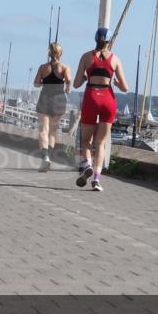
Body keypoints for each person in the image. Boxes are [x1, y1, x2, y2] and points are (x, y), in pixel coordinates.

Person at [72, 27, 128, 192]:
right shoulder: (115, 59)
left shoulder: (86, 57)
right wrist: (116, 83)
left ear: (95, 39)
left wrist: (83, 78)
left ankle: (87, 164)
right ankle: (96, 180)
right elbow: (125, 87)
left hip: (91, 97)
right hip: (108, 100)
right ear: (109, 41)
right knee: (101, 143)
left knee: (86, 141)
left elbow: (75, 84)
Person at [33, 42, 71, 172]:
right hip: (59, 101)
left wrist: (44, 81)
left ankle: (45, 157)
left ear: (49, 53)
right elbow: (69, 80)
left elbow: (36, 84)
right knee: (53, 131)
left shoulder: (43, 67)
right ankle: (48, 155)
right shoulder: (64, 68)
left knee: (43, 130)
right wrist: (67, 88)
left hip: (45, 99)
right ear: (60, 53)